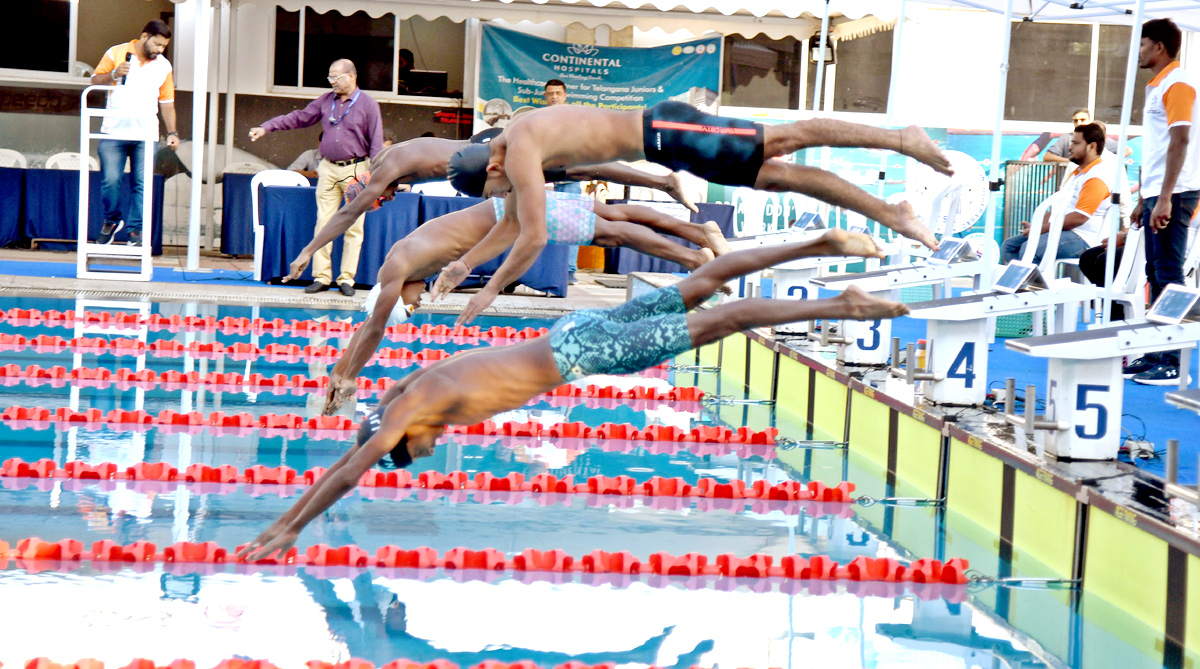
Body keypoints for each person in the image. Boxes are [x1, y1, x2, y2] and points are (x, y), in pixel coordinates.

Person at [237, 229, 906, 560]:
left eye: (423, 445)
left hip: (580, 352)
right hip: (572, 328)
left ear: (406, 433)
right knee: (699, 286)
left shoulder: (410, 414)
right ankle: (822, 241)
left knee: (718, 319)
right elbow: (371, 409)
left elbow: (352, 466)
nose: (435, 441)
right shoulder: (407, 389)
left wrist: (291, 523)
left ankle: (841, 303)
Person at [447, 101, 952, 323]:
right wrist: (465, 265)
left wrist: (489, 293)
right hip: (669, 149)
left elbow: (532, 235)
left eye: (493, 189)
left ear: (492, 168)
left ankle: (899, 139)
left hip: (669, 130)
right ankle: (892, 213)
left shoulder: (520, 148)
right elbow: (512, 222)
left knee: (784, 140)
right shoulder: (517, 151)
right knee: (780, 178)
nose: (501, 191)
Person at [293, 191, 731, 415]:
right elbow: (372, 323)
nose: (420, 301)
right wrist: (343, 369)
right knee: (614, 217)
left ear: (394, 295)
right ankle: (701, 233)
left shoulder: (396, 270)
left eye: (413, 303)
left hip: (514, 214)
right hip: (508, 207)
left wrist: (344, 376)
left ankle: (696, 255)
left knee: (612, 230)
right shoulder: (408, 267)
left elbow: (374, 327)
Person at [282, 132, 701, 288]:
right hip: (484, 157)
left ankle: (662, 180)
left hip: (489, 158)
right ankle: (662, 185)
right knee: (590, 190)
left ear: (370, 191)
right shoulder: (390, 164)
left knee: (579, 166)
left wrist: (307, 251)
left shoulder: (384, 169)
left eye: (380, 202)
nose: (387, 201)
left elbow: (345, 215)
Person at [249, 58, 384, 297]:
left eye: (336, 77)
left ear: (351, 77)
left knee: (354, 226)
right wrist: (267, 127)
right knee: (324, 222)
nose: (332, 82)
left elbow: (376, 143)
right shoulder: (325, 101)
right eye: (330, 77)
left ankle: (347, 280)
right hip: (328, 168)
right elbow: (299, 117)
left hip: (357, 168)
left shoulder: (368, 105)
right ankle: (322, 277)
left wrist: (377, 176)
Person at [1123, 18, 1200, 386]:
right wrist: (1145, 197)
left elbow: (1180, 140)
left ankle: (1172, 359)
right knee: (1155, 274)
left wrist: (1166, 196)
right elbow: (1154, 148)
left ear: (1159, 47)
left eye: (1142, 44)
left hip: (1178, 191)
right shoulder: (1158, 85)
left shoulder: (1178, 82)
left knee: (1169, 272)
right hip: (1158, 192)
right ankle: (1156, 351)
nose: (1137, 51)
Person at [90, 20, 179, 246]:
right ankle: (111, 220)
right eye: (157, 45)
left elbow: (167, 102)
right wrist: (113, 74)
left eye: (163, 47)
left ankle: (135, 230)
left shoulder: (164, 66)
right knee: (111, 181)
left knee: (142, 183)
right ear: (144, 36)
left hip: (146, 133)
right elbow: (94, 82)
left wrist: (173, 132)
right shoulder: (116, 52)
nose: (159, 50)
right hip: (114, 131)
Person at [1000, 123, 1114, 265]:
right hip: (1063, 231)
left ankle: (1032, 286)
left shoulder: (1096, 176)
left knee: (1030, 249)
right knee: (1010, 246)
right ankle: (1031, 283)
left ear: (1092, 147)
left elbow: (1078, 218)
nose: (1069, 147)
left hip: (1082, 237)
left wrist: (1040, 230)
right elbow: (1057, 208)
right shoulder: (1077, 173)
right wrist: (1036, 227)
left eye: (1076, 143)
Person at [542, 79, 584, 285]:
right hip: (543, 182)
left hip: (570, 182)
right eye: (550, 93)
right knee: (541, 227)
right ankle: (543, 271)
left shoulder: (575, 119)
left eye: (558, 93)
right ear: (545, 96)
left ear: (566, 95)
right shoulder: (538, 120)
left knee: (572, 227)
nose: (554, 97)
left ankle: (568, 271)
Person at [1043, 108, 1129, 162]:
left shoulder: (1097, 138)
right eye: (1075, 120)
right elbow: (1047, 156)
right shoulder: (1066, 138)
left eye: (1082, 120)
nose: (1079, 123)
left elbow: (1127, 150)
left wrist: (1106, 162)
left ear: (1089, 121)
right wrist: (1070, 161)